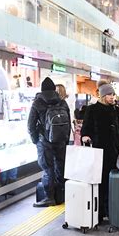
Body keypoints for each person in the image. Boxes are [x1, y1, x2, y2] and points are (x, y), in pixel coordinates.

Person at [81, 80, 119, 223]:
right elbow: (86, 127)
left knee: (111, 182)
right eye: (109, 95)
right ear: (102, 96)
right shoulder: (93, 109)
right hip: (98, 151)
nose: (112, 97)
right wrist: (86, 136)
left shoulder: (117, 110)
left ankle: (110, 210)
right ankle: (99, 212)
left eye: (113, 94)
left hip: (114, 152)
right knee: (99, 182)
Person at [28, 78, 71, 207]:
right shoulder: (62, 102)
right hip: (61, 140)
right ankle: (61, 195)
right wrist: (66, 139)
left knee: (47, 168)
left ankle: (49, 197)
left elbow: (30, 125)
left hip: (45, 140)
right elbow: (68, 122)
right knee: (61, 166)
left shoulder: (37, 103)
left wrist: (36, 139)